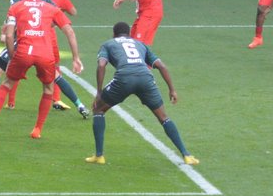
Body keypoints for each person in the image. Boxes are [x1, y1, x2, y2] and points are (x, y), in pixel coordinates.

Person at [86, 21, 200, 166]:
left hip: (124, 79)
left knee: (98, 110)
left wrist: (99, 92)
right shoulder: (140, 44)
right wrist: (172, 89)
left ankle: (99, 156)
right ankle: (186, 155)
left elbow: (102, 65)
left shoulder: (108, 44)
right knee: (163, 117)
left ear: (114, 34)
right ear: (129, 34)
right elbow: (161, 65)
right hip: (145, 78)